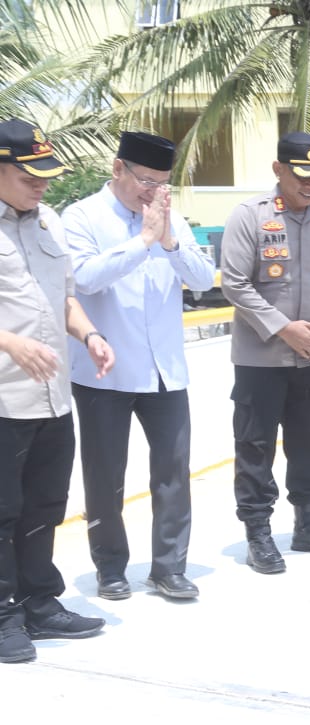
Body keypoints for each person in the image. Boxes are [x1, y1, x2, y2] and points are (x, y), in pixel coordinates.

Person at [62, 130, 216, 601]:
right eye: (145, 180)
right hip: (104, 372)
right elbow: (83, 279)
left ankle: (169, 567)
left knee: (173, 472)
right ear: (118, 168)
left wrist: (167, 240)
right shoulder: (82, 216)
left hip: (166, 370)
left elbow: (204, 279)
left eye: (162, 183)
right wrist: (142, 242)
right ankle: (110, 568)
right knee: (105, 476)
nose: (153, 192)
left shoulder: (170, 220)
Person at [0, 118, 116, 663]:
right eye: (30, 176)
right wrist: (10, 344)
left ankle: (40, 604)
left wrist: (89, 334)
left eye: (46, 175)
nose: (42, 184)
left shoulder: (47, 221)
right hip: (5, 398)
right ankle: (3, 616)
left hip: (52, 395)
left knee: (45, 504)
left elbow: (64, 296)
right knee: (3, 509)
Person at [220, 131, 310, 574]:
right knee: (255, 447)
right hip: (261, 361)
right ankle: (258, 533)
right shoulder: (250, 217)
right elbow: (234, 283)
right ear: (279, 170)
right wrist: (285, 329)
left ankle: (308, 524)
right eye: (302, 176)